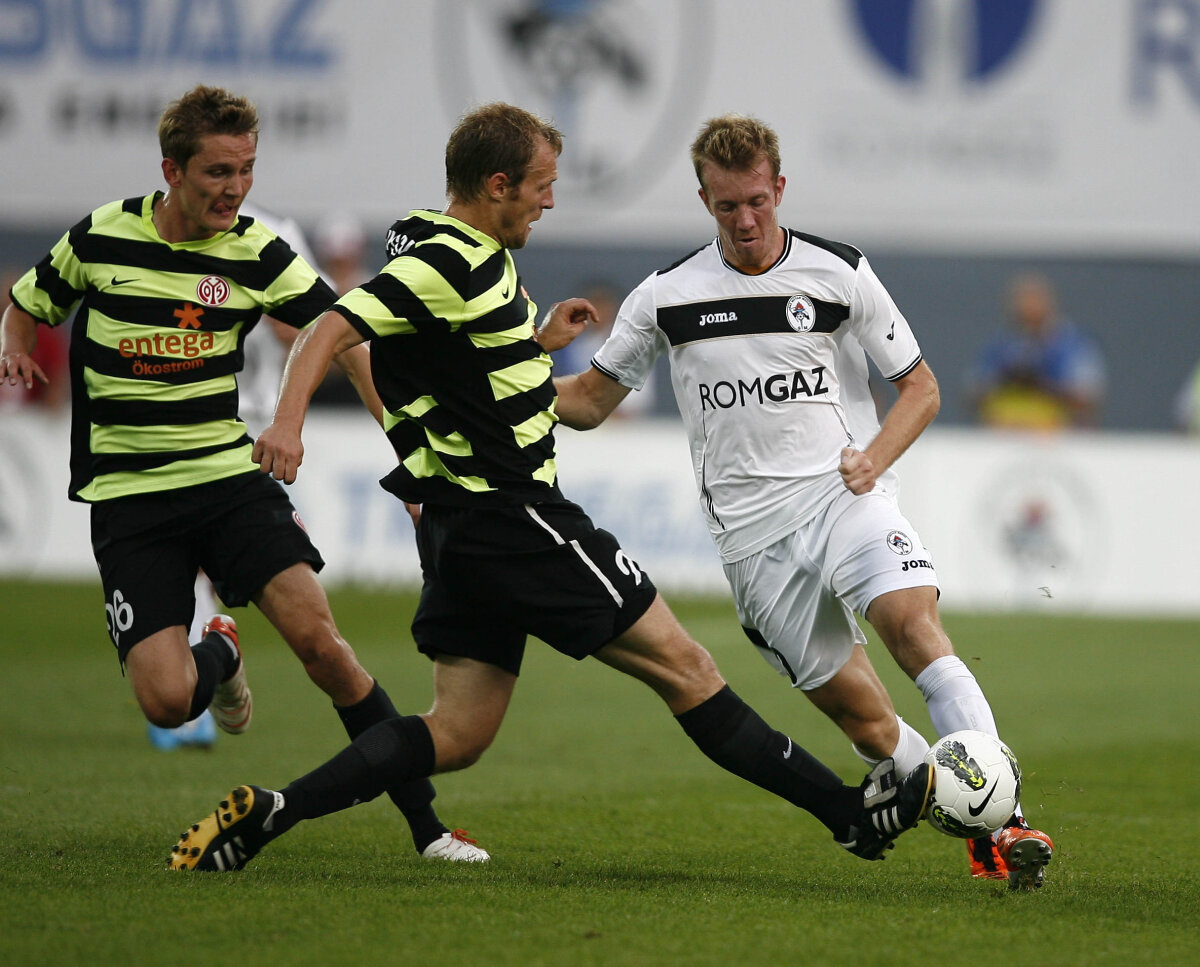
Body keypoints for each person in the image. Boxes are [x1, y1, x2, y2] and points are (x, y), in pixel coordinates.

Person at [166, 102, 933, 874]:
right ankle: (845, 813)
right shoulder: (450, 262)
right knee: (688, 669)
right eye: (542, 183)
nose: (551, 199)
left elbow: (463, 369)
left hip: (460, 531)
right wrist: (288, 424)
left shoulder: (457, 251)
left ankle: (274, 810)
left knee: (457, 733)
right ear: (497, 184)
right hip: (517, 515)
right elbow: (332, 326)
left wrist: (536, 347)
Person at [550, 114, 1054, 890]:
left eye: (757, 200)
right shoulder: (666, 297)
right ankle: (961, 801)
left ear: (779, 187)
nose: (745, 221)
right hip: (755, 547)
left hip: (844, 498)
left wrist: (872, 459)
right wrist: (494, 380)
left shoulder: (839, 272)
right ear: (704, 200)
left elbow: (920, 387)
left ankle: (1004, 824)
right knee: (869, 723)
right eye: (726, 207)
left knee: (914, 627)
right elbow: (585, 403)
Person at [0, 85, 485, 862]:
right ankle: (221, 649)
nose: (235, 188)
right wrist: (15, 345)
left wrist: (409, 453)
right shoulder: (100, 239)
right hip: (129, 501)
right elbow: (27, 303)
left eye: (247, 169)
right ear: (172, 169)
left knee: (324, 646)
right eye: (219, 172)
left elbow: (346, 335)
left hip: (227, 480)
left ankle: (429, 829)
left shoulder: (256, 249)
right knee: (166, 702)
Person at [966, 273, 1106, 430]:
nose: (1027, 307)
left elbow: (1086, 397)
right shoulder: (1001, 345)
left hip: (1057, 436)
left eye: (1034, 299)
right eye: (1021, 301)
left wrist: (1041, 383)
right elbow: (974, 393)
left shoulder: (1072, 345)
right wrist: (1007, 380)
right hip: (1005, 433)